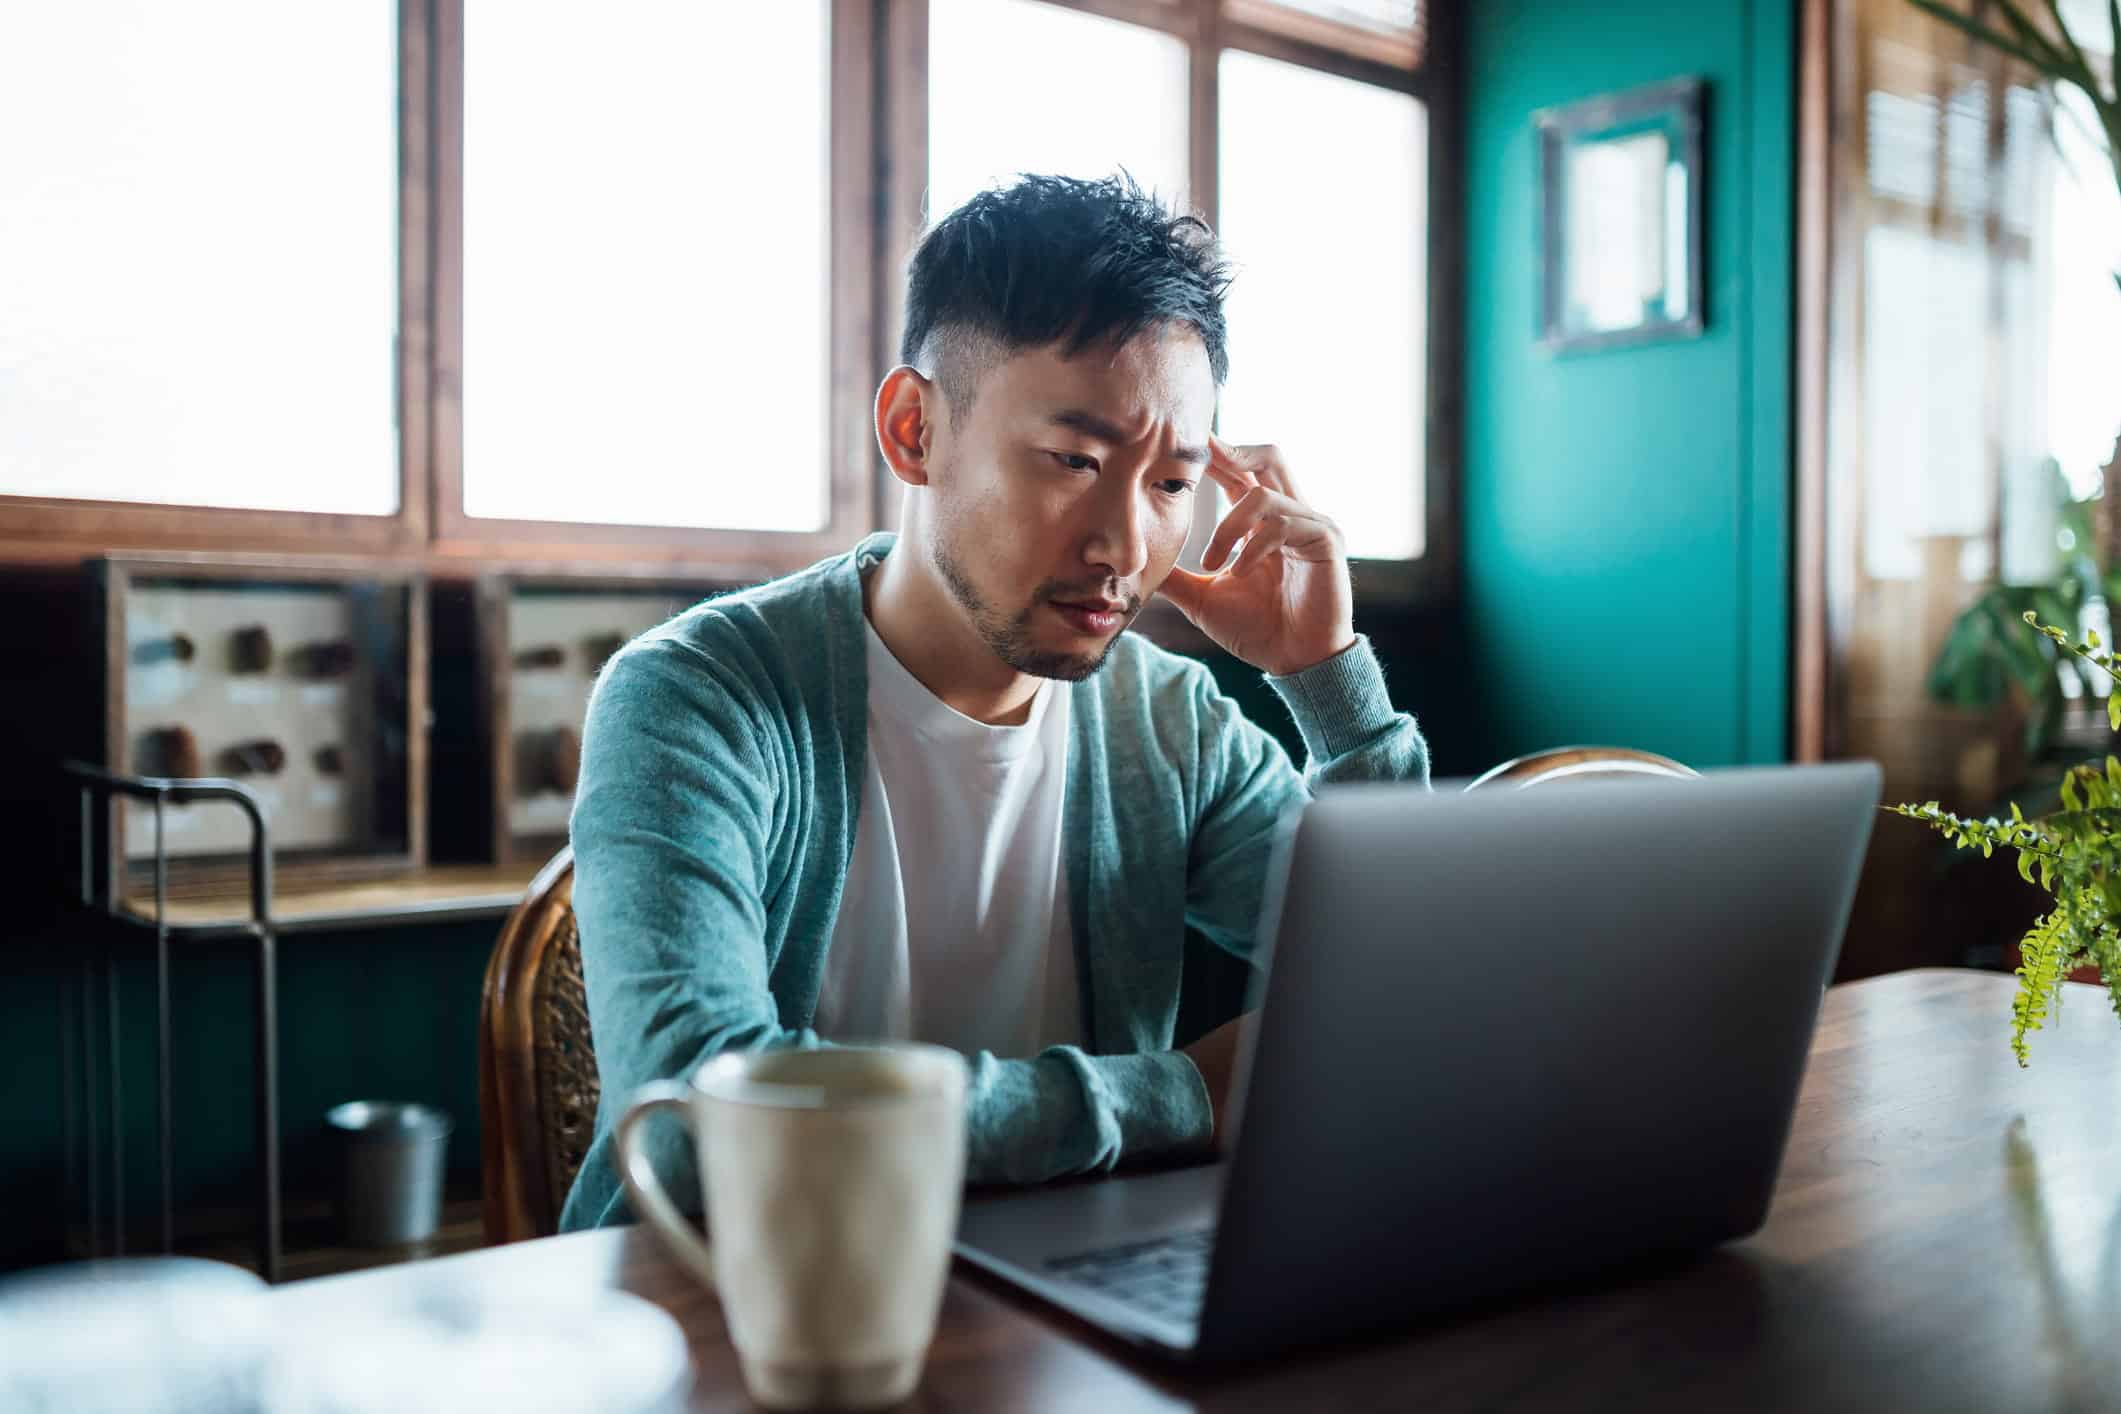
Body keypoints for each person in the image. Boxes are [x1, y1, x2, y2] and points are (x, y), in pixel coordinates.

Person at [559, 174, 1429, 1230]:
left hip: (1067, 1320)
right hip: (730, 1312)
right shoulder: (697, 697)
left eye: (1169, 484)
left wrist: (1326, 680)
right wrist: (1185, 1093)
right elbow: (702, 1126)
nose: (1122, 546)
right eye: (1073, 459)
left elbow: (1414, 992)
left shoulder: (1173, 724)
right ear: (915, 428)